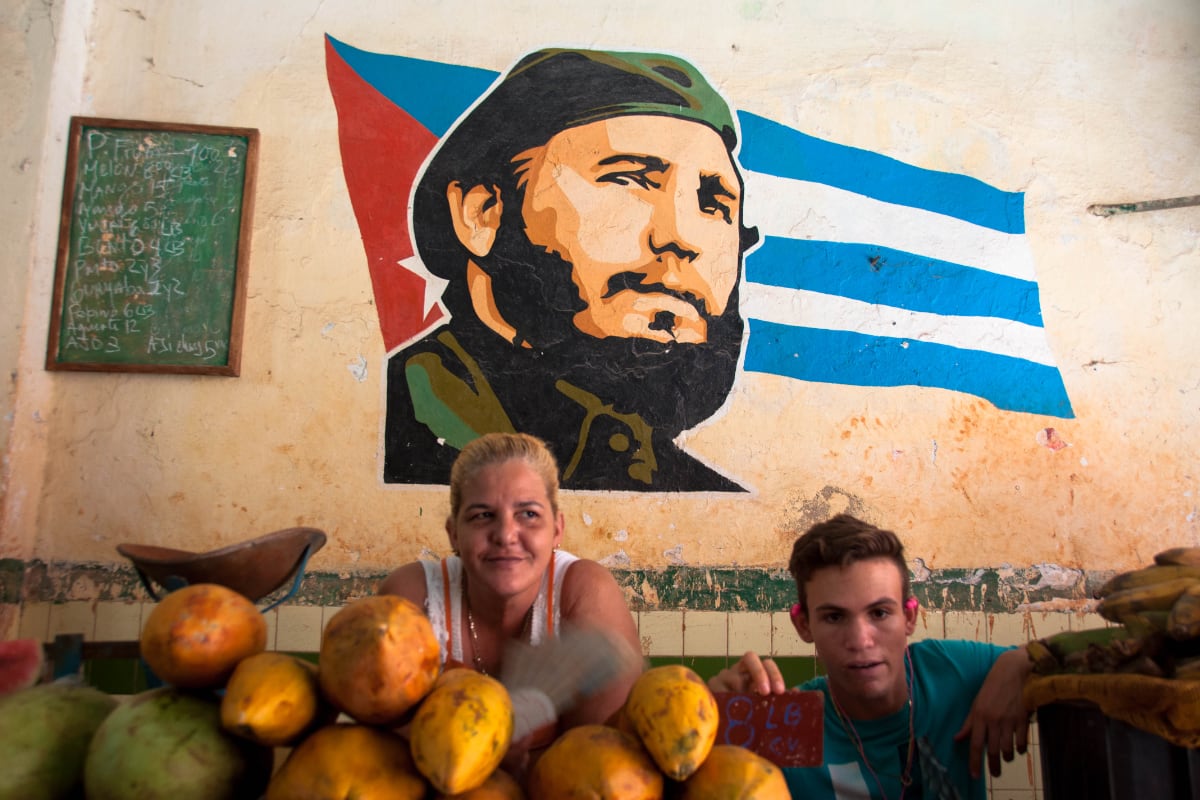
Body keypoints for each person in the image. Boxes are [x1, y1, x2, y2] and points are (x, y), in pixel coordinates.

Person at [384, 47, 760, 492]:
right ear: (481, 214)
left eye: (715, 204)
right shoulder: (402, 426)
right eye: (629, 179)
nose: (681, 237)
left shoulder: (702, 497)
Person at [709, 514, 1033, 799]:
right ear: (804, 625)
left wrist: (1025, 660)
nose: (860, 640)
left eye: (879, 613)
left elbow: (1075, 651)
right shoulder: (788, 725)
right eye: (834, 617)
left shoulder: (948, 671)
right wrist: (711, 731)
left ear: (909, 618)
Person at [378, 431, 643, 763]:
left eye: (529, 514)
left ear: (557, 530)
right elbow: (390, 764)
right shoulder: (412, 599)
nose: (505, 535)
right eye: (482, 515)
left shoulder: (584, 591)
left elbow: (605, 765)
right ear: (453, 533)